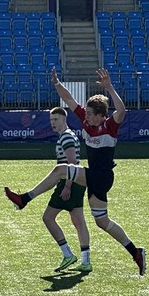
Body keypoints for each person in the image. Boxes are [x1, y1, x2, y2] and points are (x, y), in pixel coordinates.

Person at [4, 68, 146, 276]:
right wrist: (56, 83)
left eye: (89, 113)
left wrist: (109, 88)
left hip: (102, 177)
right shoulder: (87, 121)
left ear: (100, 116)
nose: (85, 116)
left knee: (61, 170)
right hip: (95, 176)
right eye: (86, 113)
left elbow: (122, 111)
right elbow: (69, 99)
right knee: (102, 222)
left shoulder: (110, 126)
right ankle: (136, 252)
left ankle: (24, 199)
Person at [43, 106, 92, 273]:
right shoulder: (68, 136)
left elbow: (72, 163)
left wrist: (67, 186)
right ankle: (86, 261)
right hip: (77, 181)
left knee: (48, 218)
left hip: (68, 181)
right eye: (51, 120)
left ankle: (67, 254)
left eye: (55, 119)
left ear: (64, 119)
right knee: (79, 220)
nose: (52, 123)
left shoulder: (66, 138)